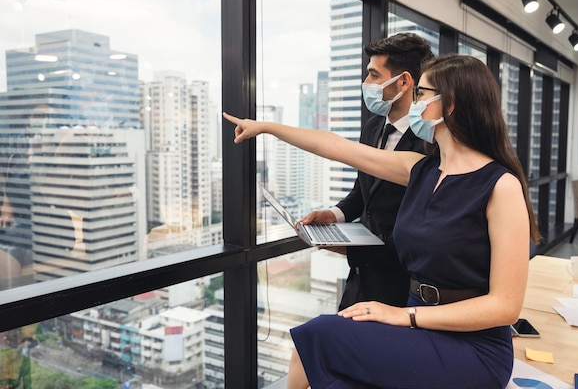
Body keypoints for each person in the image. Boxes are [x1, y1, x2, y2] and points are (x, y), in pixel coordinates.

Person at [223, 53, 540, 388]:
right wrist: (268, 128)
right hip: (418, 321)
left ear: (450, 104)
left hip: (473, 346)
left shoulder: (500, 186)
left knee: (315, 337)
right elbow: (337, 147)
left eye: (420, 93)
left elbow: (505, 307)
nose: (413, 102)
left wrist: (406, 316)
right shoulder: (419, 169)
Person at [300, 32, 433, 310]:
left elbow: (420, 229)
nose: (366, 83)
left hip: (402, 285)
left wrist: (350, 250)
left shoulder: (430, 143)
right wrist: (335, 214)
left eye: (374, 75)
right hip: (361, 281)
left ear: (404, 81)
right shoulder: (373, 127)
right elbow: (363, 193)